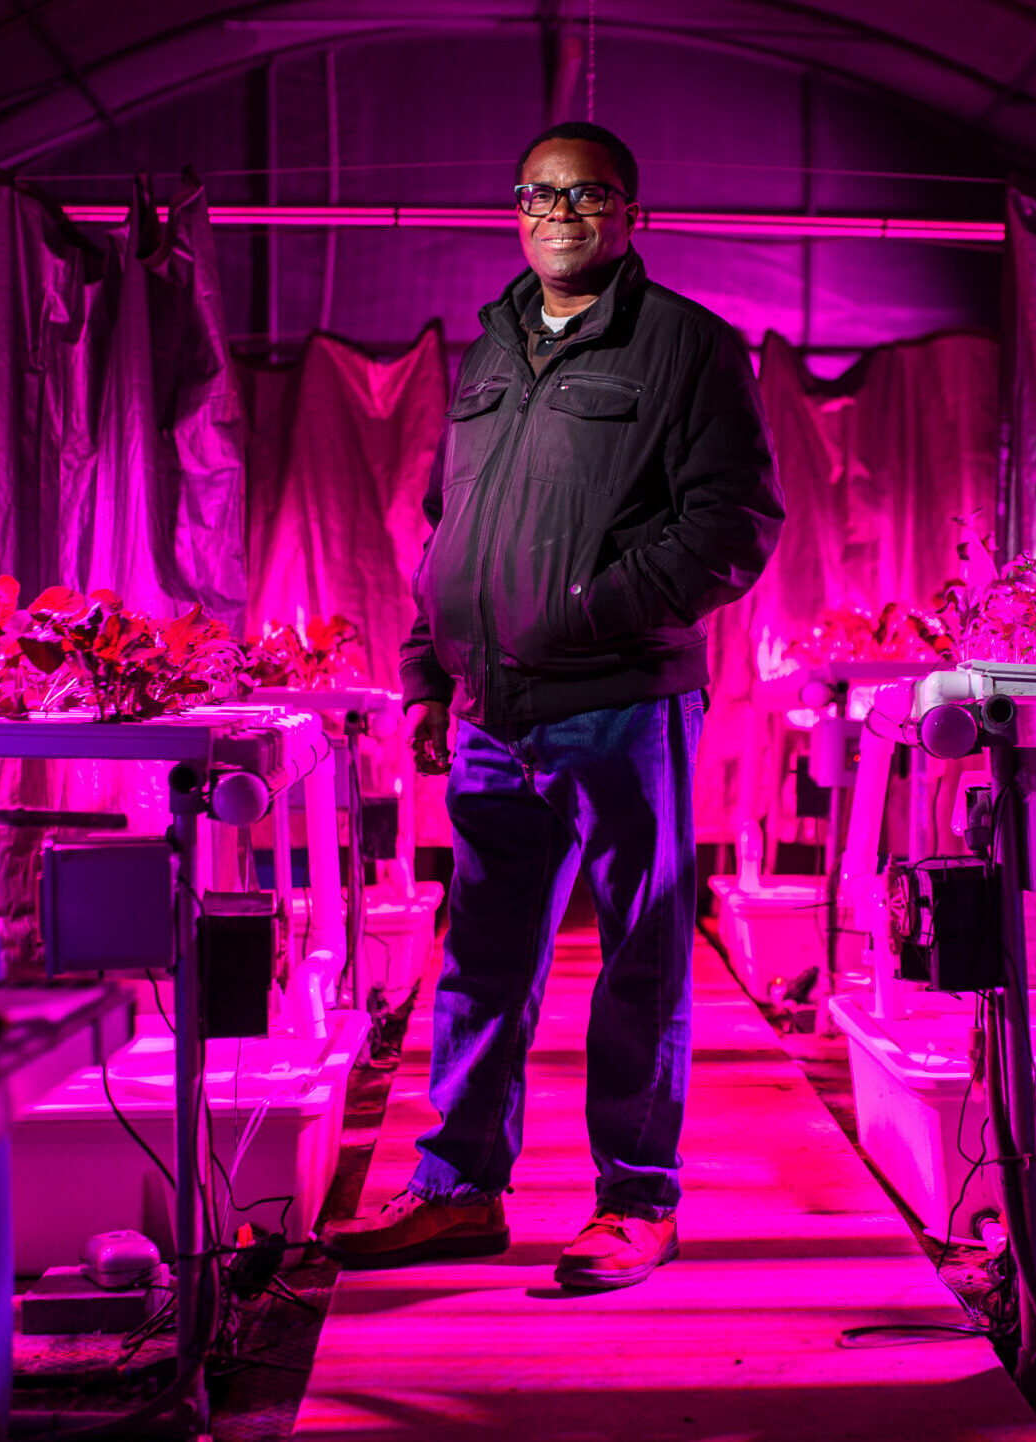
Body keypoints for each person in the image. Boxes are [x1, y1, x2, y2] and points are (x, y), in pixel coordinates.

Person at [323, 120, 782, 1290]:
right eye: (540, 194)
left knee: (639, 953)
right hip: (490, 709)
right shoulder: (488, 351)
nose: (562, 214)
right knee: (481, 952)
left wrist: (589, 608)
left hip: (623, 706)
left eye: (588, 196)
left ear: (631, 213)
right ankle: (459, 1188)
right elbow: (450, 528)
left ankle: (635, 1200)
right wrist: (431, 666)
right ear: (515, 212)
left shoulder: (687, 347)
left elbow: (733, 527)